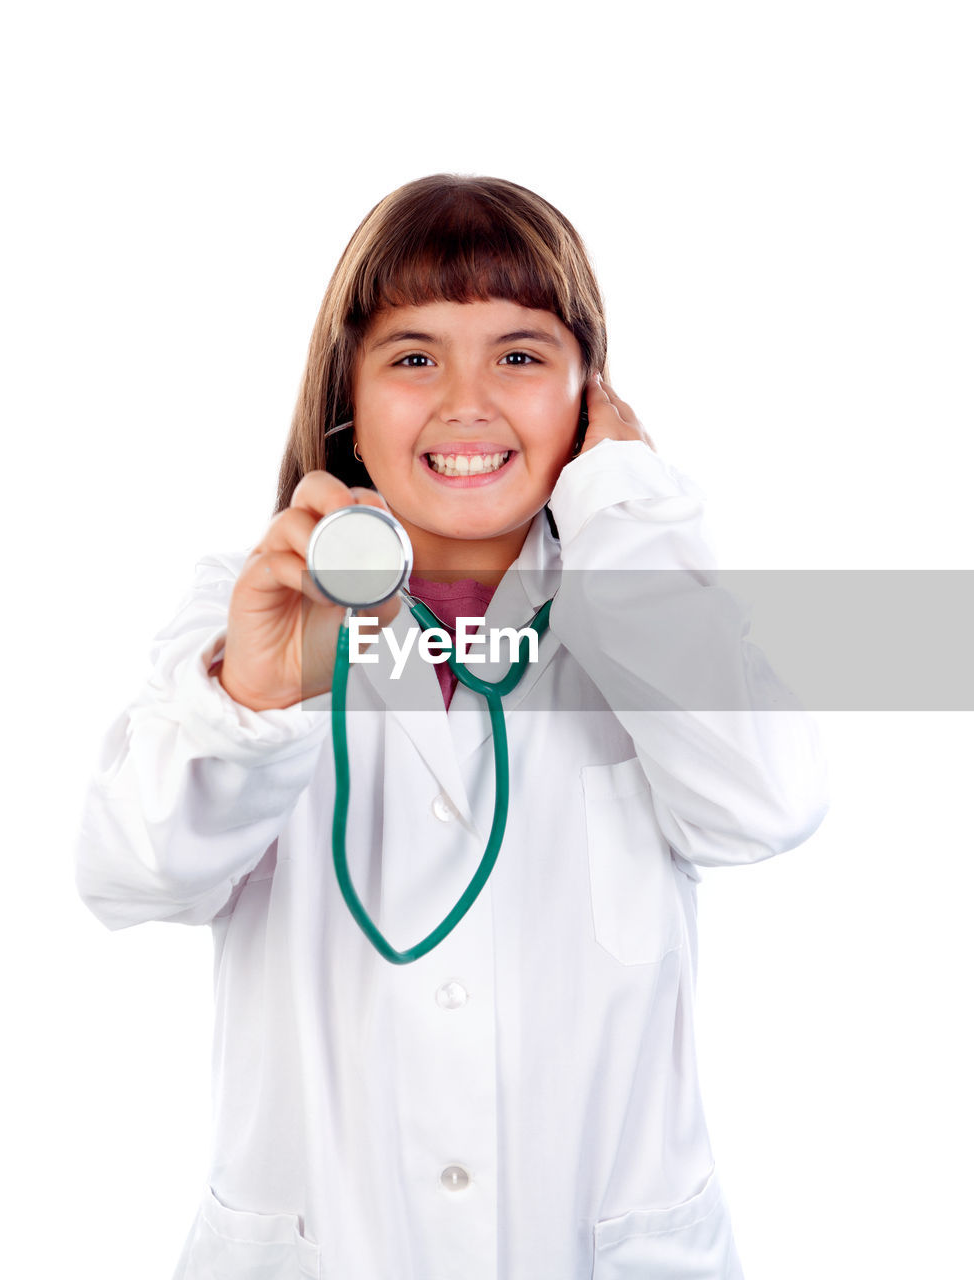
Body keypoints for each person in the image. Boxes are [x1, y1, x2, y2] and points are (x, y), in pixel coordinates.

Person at [76, 174, 828, 1279]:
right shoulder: (244, 607)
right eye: (414, 355)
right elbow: (128, 874)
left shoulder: (651, 604)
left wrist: (620, 510)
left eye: (520, 355)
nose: (467, 403)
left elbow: (769, 803)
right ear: (348, 396)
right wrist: (253, 697)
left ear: (591, 398)